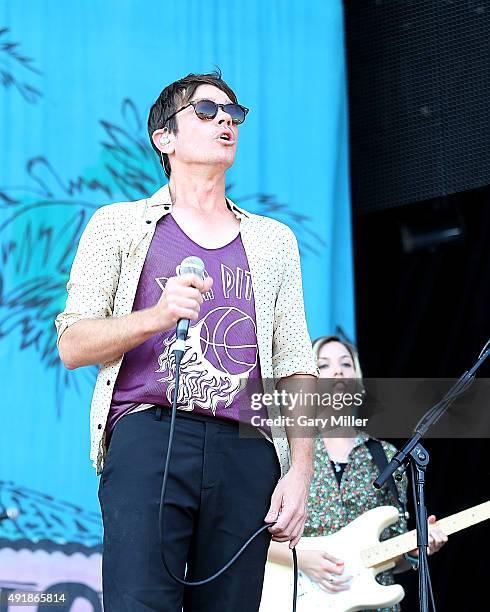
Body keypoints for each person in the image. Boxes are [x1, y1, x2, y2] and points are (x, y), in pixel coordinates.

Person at [55, 70, 318, 612]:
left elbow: (295, 361)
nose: (225, 119)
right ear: (165, 139)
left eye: (233, 113)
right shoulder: (119, 225)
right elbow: (74, 343)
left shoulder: (273, 242)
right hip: (147, 436)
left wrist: (300, 472)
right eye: (205, 111)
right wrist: (156, 316)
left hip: (247, 448)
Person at [267, 335, 447, 611]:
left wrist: (414, 550)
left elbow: (391, 555)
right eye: (324, 365)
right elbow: (250, 540)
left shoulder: (387, 456)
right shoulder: (286, 451)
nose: (338, 370)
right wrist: (301, 559)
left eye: (346, 364)